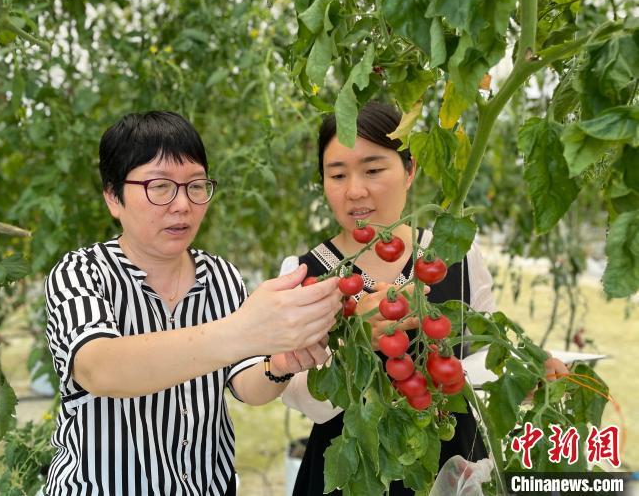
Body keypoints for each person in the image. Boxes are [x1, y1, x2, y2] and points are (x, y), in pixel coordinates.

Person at [44, 111, 342, 496]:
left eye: (195, 186)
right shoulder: (81, 273)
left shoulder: (221, 276)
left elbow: (246, 385)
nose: (183, 205)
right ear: (113, 197)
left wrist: (279, 365)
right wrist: (243, 331)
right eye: (160, 187)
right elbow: (101, 370)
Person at [279, 101, 567, 495]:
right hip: (353, 470)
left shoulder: (456, 255)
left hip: (452, 463)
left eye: (374, 169)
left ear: (410, 170)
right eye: (337, 175)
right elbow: (301, 395)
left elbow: (478, 349)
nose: (355, 190)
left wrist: (520, 376)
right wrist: (355, 341)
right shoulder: (305, 274)